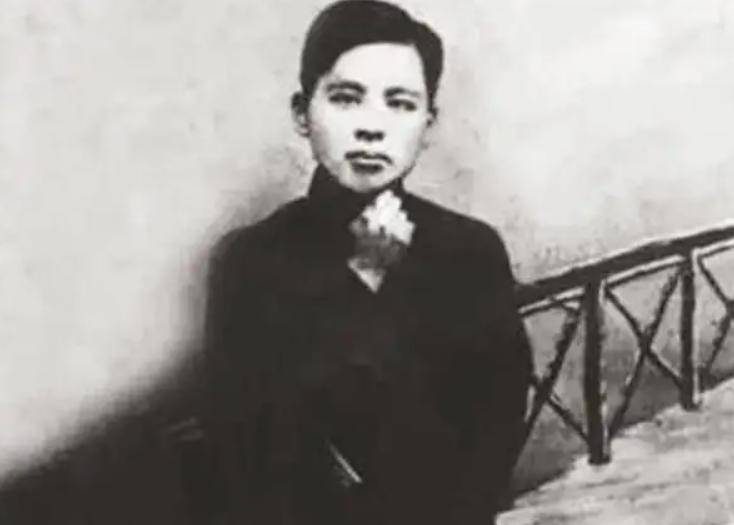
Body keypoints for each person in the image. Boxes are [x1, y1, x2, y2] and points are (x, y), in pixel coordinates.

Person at [199, 1, 533, 524]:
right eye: (346, 98)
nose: (372, 128)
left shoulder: (470, 252)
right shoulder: (249, 262)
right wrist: (364, 274)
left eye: (400, 103)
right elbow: (247, 448)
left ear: (428, 123)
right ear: (302, 113)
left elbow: (495, 429)